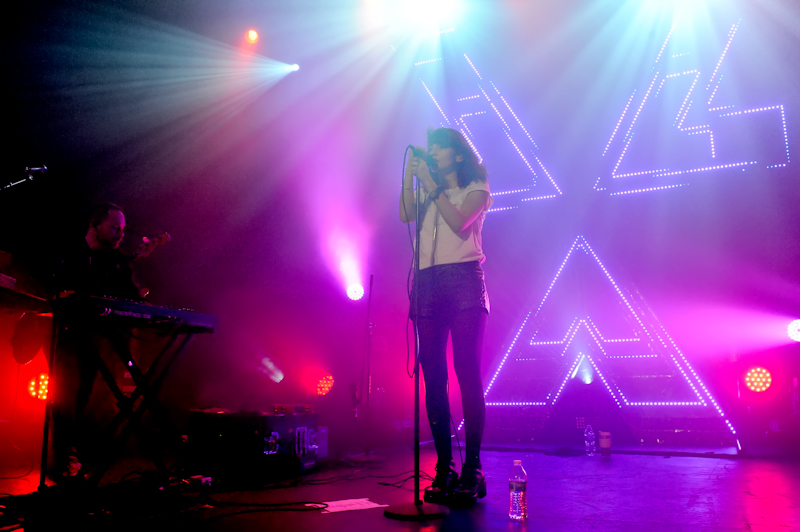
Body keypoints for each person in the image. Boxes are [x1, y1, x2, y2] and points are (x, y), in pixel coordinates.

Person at [400, 128, 492, 504]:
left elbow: (458, 223)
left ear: (456, 154)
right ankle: (443, 466)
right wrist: (411, 175)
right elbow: (405, 213)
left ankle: (472, 468)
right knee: (433, 378)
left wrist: (432, 187)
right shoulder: (426, 192)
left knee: (466, 372)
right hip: (427, 284)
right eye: (430, 147)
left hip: (464, 282)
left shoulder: (477, 187)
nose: (433, 151)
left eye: (439, 147)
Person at [50, 203, 142, 478]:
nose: (121, 234)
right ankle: (62, 460)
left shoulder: (118, 261)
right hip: (65, 335)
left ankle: (77, 457)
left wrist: (144, 302)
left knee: (86, 397)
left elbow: (133, 297)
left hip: (95, 338)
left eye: (124, 229)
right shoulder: (69, 253)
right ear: (95, 226)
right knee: (65, 397)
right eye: (115, 228)